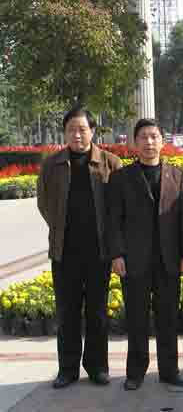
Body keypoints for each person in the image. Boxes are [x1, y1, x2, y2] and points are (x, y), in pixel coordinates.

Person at [36, 107, 122, 389]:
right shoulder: (52, 165)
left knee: (97, 313)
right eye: (71, 129)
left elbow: (118, 207)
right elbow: (44, 203)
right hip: (65, 251)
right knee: (67, 313)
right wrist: (60, 228)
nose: (77, 134)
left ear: (92, 131)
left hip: (99, 251)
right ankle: (68, 369)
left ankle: (98, 367)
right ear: (64, 132)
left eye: (82, 129)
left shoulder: (110, 163)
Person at [107, 119, 183, 392]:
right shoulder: (121, 178)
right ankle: (135, 373)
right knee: (137, 318)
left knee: (168, 318)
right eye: (143, 137)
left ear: (162, 141)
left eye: (154, 136)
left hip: (168, 259)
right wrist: (117, 254)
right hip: (135, 259)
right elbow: (113, 220)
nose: (149, 142)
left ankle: (170, 371)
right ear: (135, 142)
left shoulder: (177, 176)